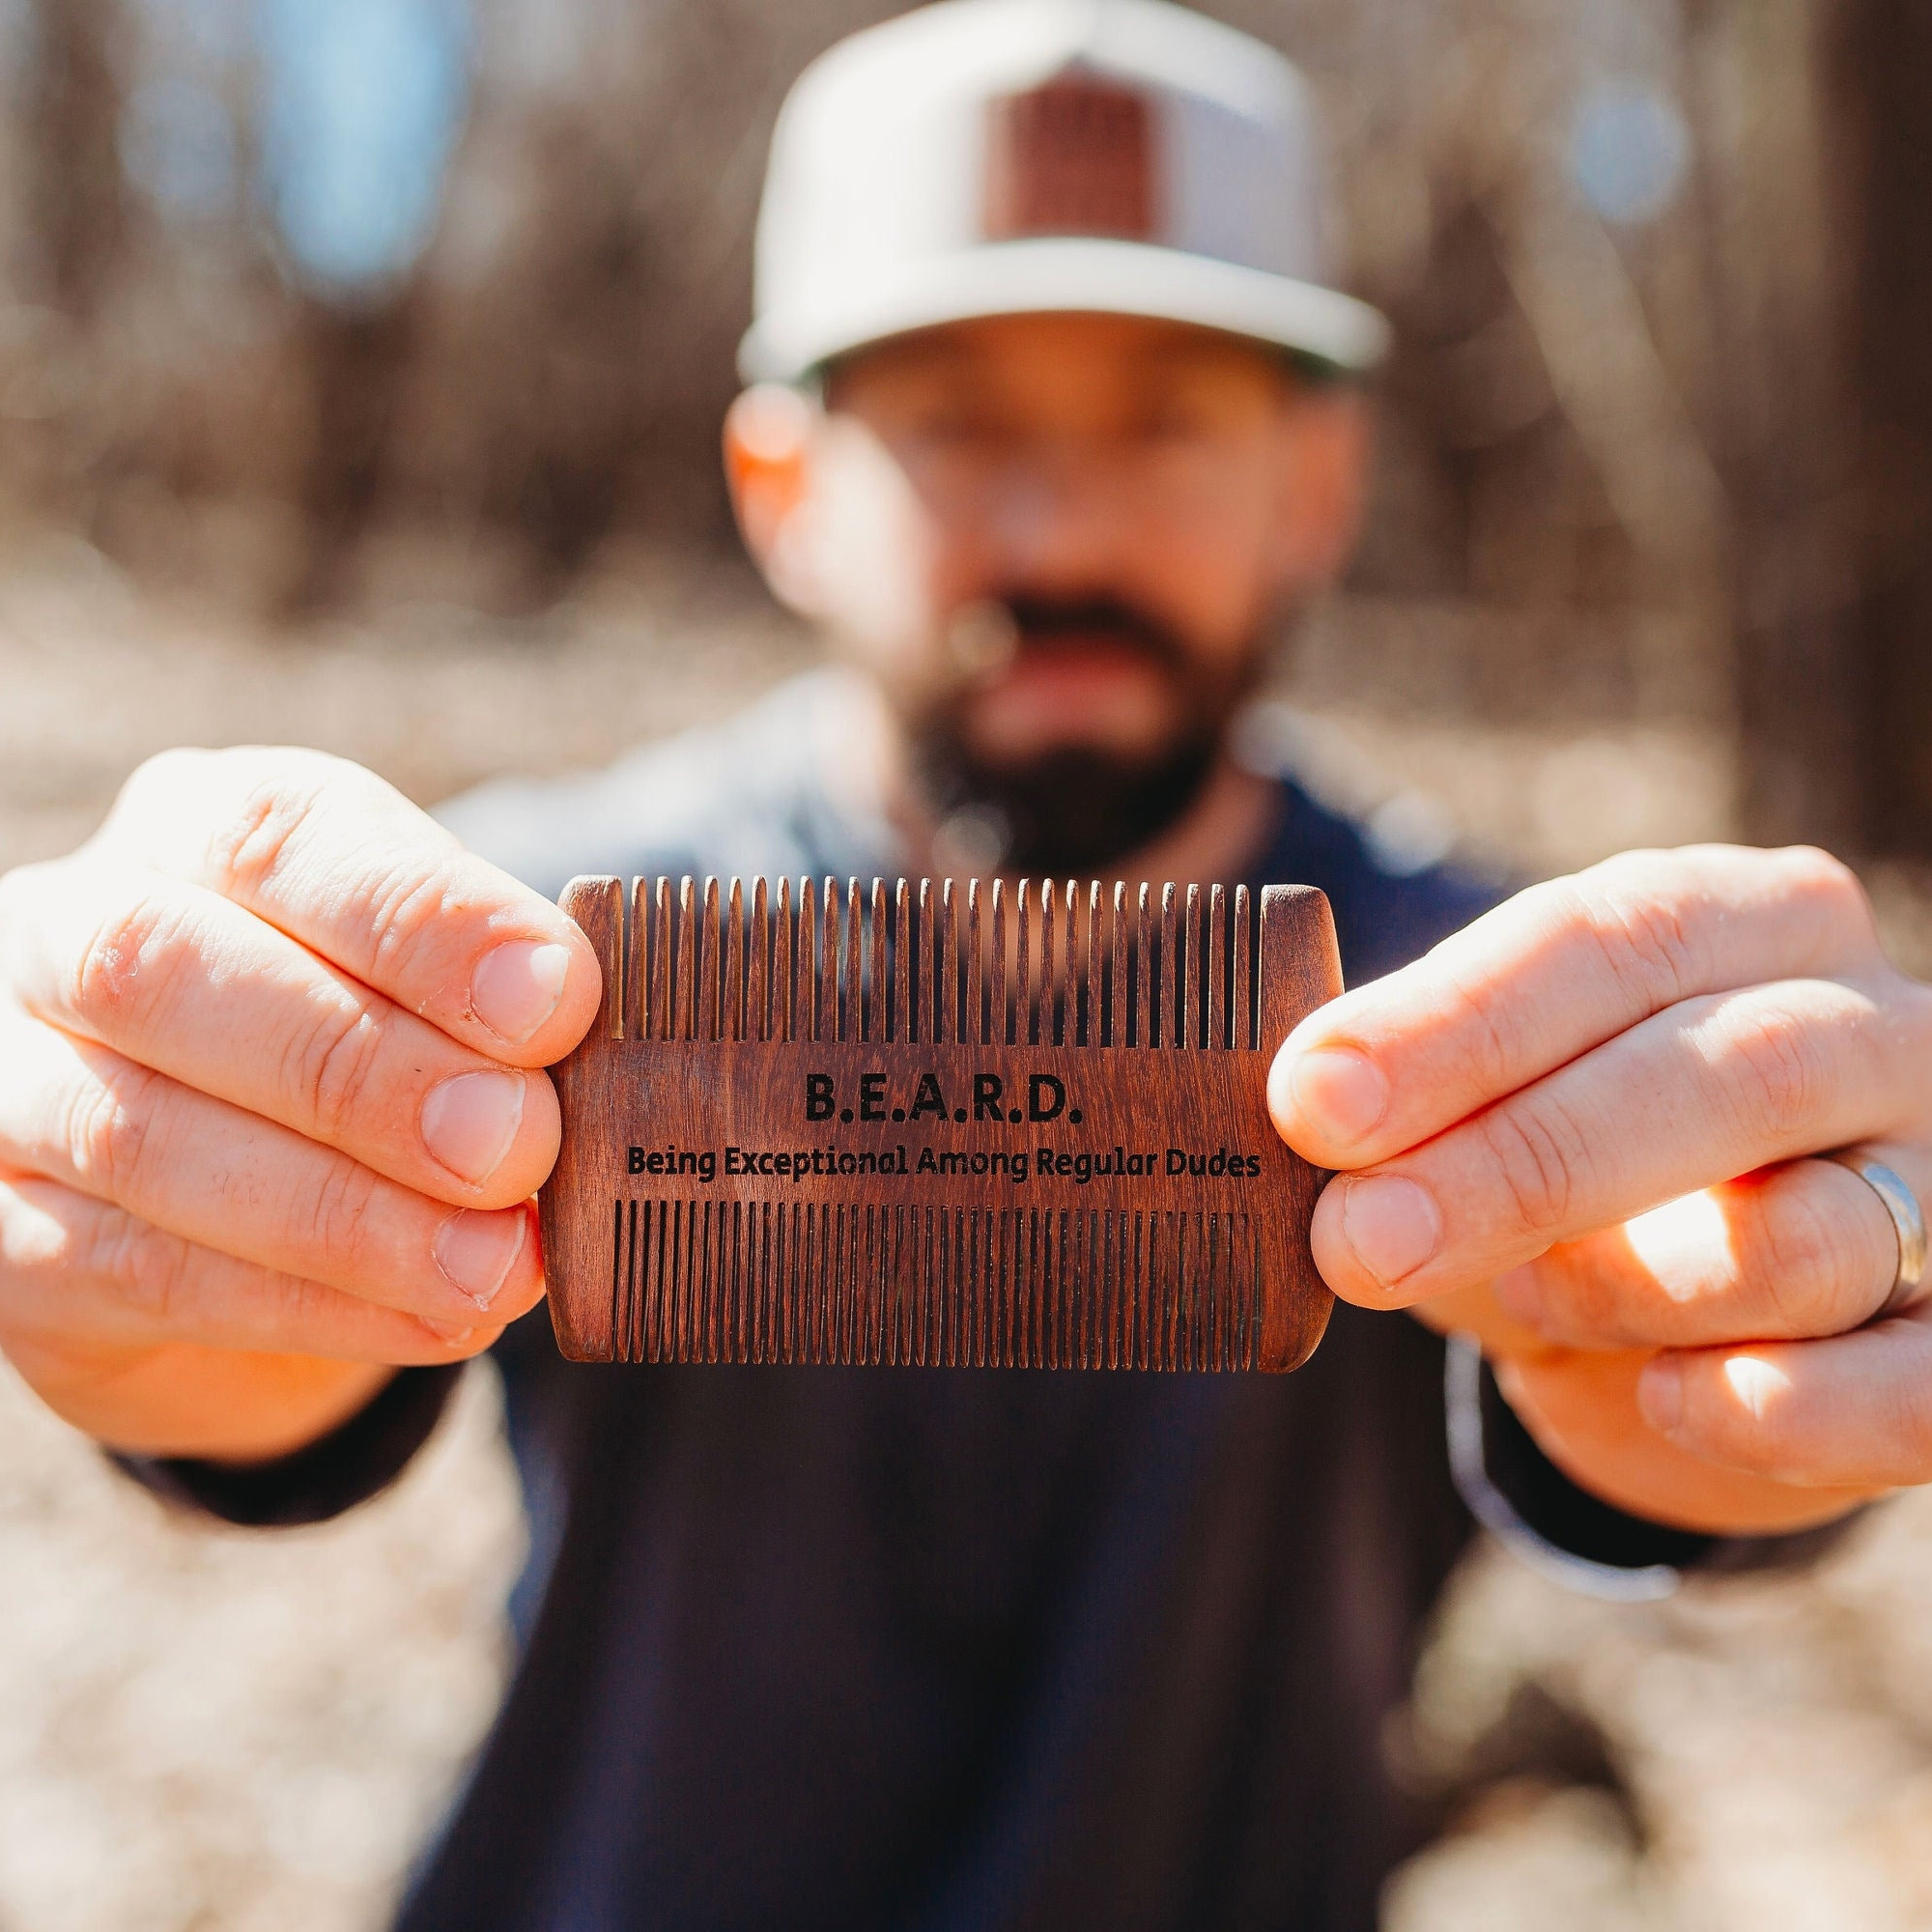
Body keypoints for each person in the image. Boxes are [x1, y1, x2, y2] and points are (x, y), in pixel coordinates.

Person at [1, 2, 1928, 1924]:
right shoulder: (535, 948)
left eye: (1167, 418)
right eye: (958, 420)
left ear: (1313, 488)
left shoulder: (1478, 1007)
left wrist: (1759, 1348)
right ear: (782, 492)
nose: (1062, 522)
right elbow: (254, 1361)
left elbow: (1681, 1363)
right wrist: (160, 1273)